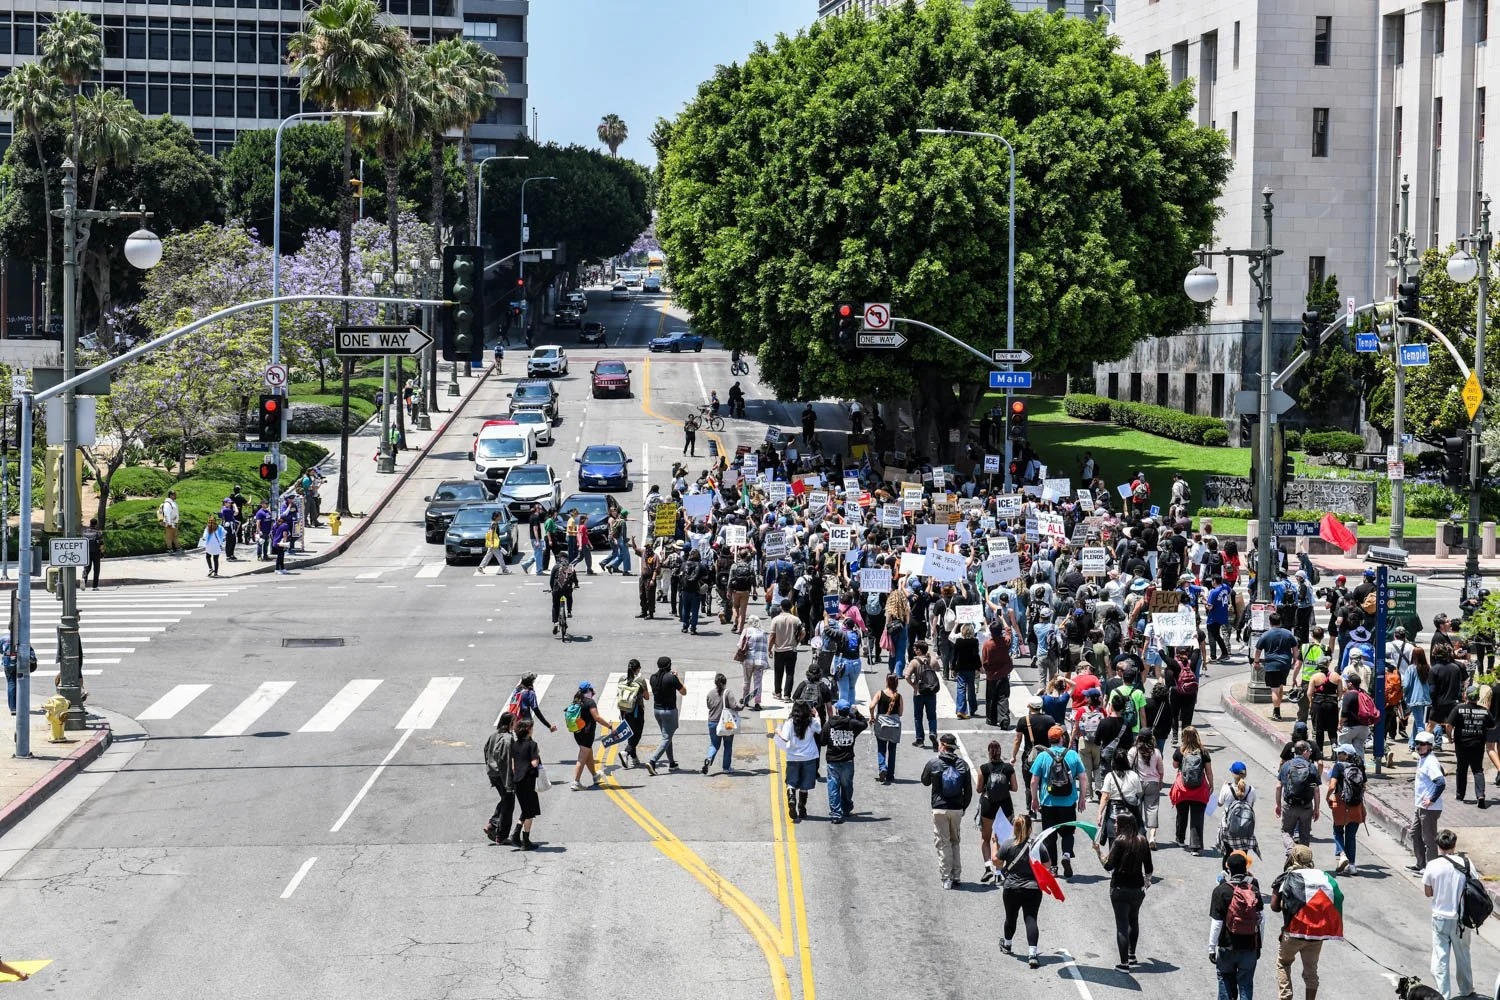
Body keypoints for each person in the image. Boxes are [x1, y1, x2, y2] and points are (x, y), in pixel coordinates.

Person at [1271, 844, 1342, 1000]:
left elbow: (1274, 907)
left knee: (1283, 963)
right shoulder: (1322, 877)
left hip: (1293, 934)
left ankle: (1286, 997)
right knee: (1311, 972)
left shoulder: (1286, 877)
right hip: (1316, 935)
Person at [1094, 812, 1154, 972]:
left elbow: (1108, 865)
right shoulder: (1142, 840)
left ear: (1124, 825)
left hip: (1119, 888)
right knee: (1133, 920)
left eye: (1117, 823)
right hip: (1138, 889)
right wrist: (1147, 881)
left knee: (1122, 926)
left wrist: (1098, 851)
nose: (1114, 825)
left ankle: (1124, 963)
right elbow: (1149, 867)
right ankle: (1132, 955)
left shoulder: (1120, 841)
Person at [1030, 724, 1088, 878]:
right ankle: (1067, 854)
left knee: (1050, 836)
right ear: (1062, 738)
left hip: (1048, 803)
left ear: (1049, 739)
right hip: (1068, 802)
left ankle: (1053, 867)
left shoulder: (1043, 756)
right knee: (1068, 833)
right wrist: (1082, 798)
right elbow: (1083, 778)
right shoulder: (1072, 755)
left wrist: (1034, 799)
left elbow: (1034, 781)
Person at [1424, 828, 1476, 1000]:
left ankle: (1443, 994)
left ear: (1438, 845)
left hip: (1440, 917)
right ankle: (1467, 990)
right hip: (1461, 919)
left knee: (1440, 957)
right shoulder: (1467, 864)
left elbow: (1428, 892)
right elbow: (1475, 886)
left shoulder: (1432, 865)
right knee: (1463, 955)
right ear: (1454, 845)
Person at [1209, 850, 1264, 1000]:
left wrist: (1211, 947)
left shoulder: (1221, 891)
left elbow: (1217, 922)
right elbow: (1261, 921)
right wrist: (1258, 946)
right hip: (1249, 946)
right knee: (1245, 984)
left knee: (1225, 978)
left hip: (1227, 946)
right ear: (1246, 868)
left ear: (1228, 868)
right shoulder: (1254, 890)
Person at [994, 812, 1047, 968]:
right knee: (1031, 919)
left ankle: (1007, 944)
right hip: (1033, 888)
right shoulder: (1037, 845)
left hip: (1011, 888)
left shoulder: (1007, 844)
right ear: (1030, 828)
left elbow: (997, 863)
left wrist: (995, 843)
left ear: (1014, 828)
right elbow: (1047, 865)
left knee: (1011, 918)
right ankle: (1032, 954)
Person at [921, 732, 973, 889]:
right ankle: (956, 875)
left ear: (943, 746)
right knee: (955, 841)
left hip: (939, 808)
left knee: (943, 843)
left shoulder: (934, 763)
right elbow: (968, 791)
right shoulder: (963, 765)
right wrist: (963, 808)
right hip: (957, 808)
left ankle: (946, 878)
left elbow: (925, 781)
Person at [774, 701, 822, 823]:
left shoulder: (790, 723)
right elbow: (819, 729)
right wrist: (816, 715)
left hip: (793, 757)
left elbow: (785, 738)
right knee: (805, 784)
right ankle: (802, 809)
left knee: (791, 782)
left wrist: (778, 731)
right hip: (809, 757)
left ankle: (791, 799)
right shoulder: (811, 721)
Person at [977, 740, 1018, 880]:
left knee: (985, 838)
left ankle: (988, 866)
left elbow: (978, 789)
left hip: (988, 806)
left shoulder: (983, 768)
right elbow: (1015, 788)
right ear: (1000, 753)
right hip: (1005, 807)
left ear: (989, 753)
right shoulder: (1008, 768)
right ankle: (999, 872)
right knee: (1002, 837)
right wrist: (1004, 787)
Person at [1171, 725, 1214, 854]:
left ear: (1184, 737)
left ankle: (1180, 838)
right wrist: (1211, 784)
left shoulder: (1180, 751)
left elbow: (1175, 766)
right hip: (1199, 790)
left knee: (1181, 815)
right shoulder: (1204, 752)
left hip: (1182, 789)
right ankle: (1195, 847)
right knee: (1197, 817)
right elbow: (1209, 771)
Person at [1276, 740, 1321, 861]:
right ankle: (1303, 860)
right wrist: (1317, 808)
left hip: (1289, 806)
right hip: (1306, 807)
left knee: (1286, 832)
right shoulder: (1311, 767)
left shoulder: (1286, 765)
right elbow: (1316, 790)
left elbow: (1278, 786)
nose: (1310, 753)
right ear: (1305, 751)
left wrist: (1278, 805)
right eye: (1309, 751)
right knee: (1305, 835)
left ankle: (1291, 851)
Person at [1444, 685, 1489, 807]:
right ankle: (1480, 794)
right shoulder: (1484, 711)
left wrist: (1449, 737)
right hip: (1478, 744)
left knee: (1461, 769)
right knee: (1478, 770)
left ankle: (1460, 794)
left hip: (1462, 744)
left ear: (1465, 696)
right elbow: (1492, 725)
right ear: (1478, 697)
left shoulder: (1458, 709)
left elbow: (1449, 725)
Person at [823, 699, 867, 823]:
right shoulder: (852, 724)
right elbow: (864, 724)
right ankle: (846, 807)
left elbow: (822, 741)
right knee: (847, 786)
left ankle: (836, 814)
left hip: (833, 760)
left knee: (833, 787)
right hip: (847, 760)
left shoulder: (829, 724)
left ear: (837, 710)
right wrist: (856, 713)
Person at [1326, 744, 1366, 875]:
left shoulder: (1338, 767)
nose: (1338, 756)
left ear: (1346, 755)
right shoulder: (1360, 767)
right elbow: (1364, 787)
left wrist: (1327, 797)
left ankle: (1342, 855)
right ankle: (1352, 865)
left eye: (1340, 753)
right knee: (1351, 835)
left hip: (1341, 804)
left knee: (1337, 831)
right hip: (1356, 805)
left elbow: (1332, 785)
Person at [1409, 731, 1446, 872]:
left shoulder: (1430, 762)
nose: (1419, 746)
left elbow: (1441, 782)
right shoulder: (1424, 759)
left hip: (1430, 809)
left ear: (1430, 746)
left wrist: (1431, 799)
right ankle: (1420, 865)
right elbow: (1442, 771)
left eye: (1423, 744)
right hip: (1420, 806)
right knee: (1414, 834)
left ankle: (1431, 869)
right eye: (1417, 743)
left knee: (1429, 839)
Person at [567, 682, 614, 790]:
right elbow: (597, 718)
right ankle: (576, 782)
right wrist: (610, 726)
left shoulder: (576, 701)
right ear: (589, 690)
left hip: (577, 732)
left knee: (589, 754)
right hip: (587, 734)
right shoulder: (590, 702)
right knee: (582, 758)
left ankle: (595, 776)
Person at [1254, 613, 1301, 722]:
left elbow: (1258, 650)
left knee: (1274, 690)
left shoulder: (1266, 635)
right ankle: (1278, 707)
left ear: (1270, 622)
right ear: (1280, 622)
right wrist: (1295, 660)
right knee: (1280, 686)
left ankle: (1276, 712)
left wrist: (1256, 662)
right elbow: (1295, 648)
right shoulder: (1288, 634)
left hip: (1271, 665)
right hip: (1285, 665)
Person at [1096, 746, 1144, 845]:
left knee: (1113, 844)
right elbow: (1139, 792)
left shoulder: (1110, 776)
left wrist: (1100, 813)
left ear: (1113, 761)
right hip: (1130, 814)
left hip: (1113, 814)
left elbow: (1105, 796)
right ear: (1126, 760)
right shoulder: (1134, 775)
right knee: (1131, 842)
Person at [646, 656, 686, 775]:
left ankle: (672, 763)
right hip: (669, 711)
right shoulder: (671, 678)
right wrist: (677, 677)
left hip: (657, 711)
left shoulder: (653, 678)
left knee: (667, 736)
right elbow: (684, 691)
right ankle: (652, 761)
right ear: (669, 666)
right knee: (667, 737)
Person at [1216, 761, 1261, 865]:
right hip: (1245, 826)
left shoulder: (1226, 788)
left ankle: (1226, 871)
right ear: (1245, 774)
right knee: (1243, 855)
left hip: (1228, 827)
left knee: (1228, 853)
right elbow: (1251, 806)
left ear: (1233, 774)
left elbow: (1219, 803)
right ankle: (1241, 871)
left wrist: (1223, 788)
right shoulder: (1251, 790)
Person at [483, 711, 517, 844]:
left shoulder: (493, 735)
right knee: (509, 803)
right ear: (510, 723)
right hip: (502, 775)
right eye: (515, 721)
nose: (516, 724)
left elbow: (486, 751)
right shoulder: (508, 739)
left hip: (493, 772)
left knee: (505, 800)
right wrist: (509, 781)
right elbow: (505, 761)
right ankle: (501, 835)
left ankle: (492, 825)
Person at [510, 718, 543, 850]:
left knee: (526, 809)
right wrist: (537, 754)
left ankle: (516, 834)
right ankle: (525, 840)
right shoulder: (532, 745)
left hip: (517, 780)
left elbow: (513, 765)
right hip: (528, 781)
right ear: (528, 730)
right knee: (529, 812)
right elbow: (534, 763)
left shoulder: (515, 744)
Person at [1129, 731, 1165, 848]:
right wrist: (1160, 782)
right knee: (1152, 809)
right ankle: (1152, 837)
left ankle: (1138, 836)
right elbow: (1161, 770)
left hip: (1137, 783)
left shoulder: (1133, 751)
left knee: (1136, 810)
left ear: (1138, 738)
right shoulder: (1156, 752)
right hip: (1153, 782)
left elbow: (1128, 768)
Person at [906, 639, 942, 750]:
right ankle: (933, 733)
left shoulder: (914, 662)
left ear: (919, 650)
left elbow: (907, 676)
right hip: (931, 691)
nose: (914, 650)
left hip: (919, 692)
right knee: (932, 716)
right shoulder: (932, 659)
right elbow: (938, 669)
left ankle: (920, 739)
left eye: (915, 648)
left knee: (918, 717)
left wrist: (913, 685)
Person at [703, 672, 742, 775]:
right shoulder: (728, 693)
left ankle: (709, 758)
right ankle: (726, 767)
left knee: (714, 744)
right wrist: (741, 706)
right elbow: (734, 706)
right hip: (726, 723)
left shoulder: (710, 693)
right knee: (728, 745)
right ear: (725, 682)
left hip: (712, 722)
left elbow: (708, 706)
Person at [868, 672, 903, 784]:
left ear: (887, 682)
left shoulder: (880, 693)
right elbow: (900, 713)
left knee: (881, 748)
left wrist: (872, 717)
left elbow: (871, 706)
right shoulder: (898, 696)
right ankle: (890, 775)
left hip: (882, 724)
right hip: (894, 727)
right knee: (892, 750)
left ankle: (882, 767)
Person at [614, 659, 649, 769]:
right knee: (637, 733)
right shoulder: (641, 680)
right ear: (637, 669)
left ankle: (634, 758)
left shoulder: (622, 678)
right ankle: (626, 752)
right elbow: (647, 697)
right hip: (636, 711)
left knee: (630, 732)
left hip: (624, 711)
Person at [769, 598, 803, 702]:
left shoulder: (775, 620)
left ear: (781, 607)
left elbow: (772, 636)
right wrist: (797, 641)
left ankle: (778, 693)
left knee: (778, 672)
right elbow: (803, 633)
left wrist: (769, 648)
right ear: (791, 607)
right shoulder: (796, 620)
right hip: (791, 649)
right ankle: (787, 695)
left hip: (779, 649)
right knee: (790, 673)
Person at [982, 622, 1013, 728]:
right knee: (1003, 697)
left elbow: (984, 661)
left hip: (991, 675)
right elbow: (1009, 633)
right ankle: (1004, 717)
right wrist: (1003, 620)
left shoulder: (987, 645)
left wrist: (987, 670)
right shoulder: (1005, 642)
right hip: (1003, 673)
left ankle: (992, 719)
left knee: (991, 698)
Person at [738, 615, 771, 710]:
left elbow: (740, 645)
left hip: (748, 659)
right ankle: (757, 702)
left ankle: (745, 699)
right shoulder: (763, 633)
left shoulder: (746, 631)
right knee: (758, 682)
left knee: (747, 681)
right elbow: (765, 648)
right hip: (760, 661)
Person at [951, 622, 981, 719]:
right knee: (971, 689)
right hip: (971, 669)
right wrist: (978, 667)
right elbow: (976, 656)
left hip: (961, 668)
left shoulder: (958, 641)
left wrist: (953, 668)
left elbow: (955, 656)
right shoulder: (975, 642)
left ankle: (960, 710)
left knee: (961, 688)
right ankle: (972, 708)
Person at [549, 555, 578, 635]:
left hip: (557, 589)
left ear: (560, 559)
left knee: (555, 606)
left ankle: (556, 622)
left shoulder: (556, 567)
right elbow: (575, 579)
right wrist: (576, 585)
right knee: (569, 597)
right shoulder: (570, 567)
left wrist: (552, 588)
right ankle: (569, 611)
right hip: (567, 589)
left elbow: (551, 580)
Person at [82, 517, 104, 589]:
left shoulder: (85, 532)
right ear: (96, 524)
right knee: (96, 570)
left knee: (86, 568)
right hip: (96, 553)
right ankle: (95, 586)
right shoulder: (98, 533)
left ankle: (83, 581)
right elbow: (101, 544)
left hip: (86, 553)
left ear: (90, 523)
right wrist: (102, 553)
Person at [159, 489, 180, 553]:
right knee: (169, 536)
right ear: (171, 495)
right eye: (174, 495)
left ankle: (177, 547)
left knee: (175, 535)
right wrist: (169, 523)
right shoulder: (167, 503)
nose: (175, 496)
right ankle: (169, 548)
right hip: (170, 522)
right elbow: (166, 513)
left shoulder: (173, 503)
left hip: (175, 522)